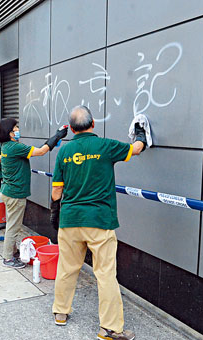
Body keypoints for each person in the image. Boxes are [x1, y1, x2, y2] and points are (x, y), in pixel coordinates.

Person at [50, 106, 147, 340]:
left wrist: (56, 212)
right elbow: (135, 150)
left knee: (67, 268)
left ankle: (60, 313)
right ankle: (110, 328)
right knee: (105, 274)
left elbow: (56, 192)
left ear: (72, 129)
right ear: (93, 124)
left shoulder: (65, 151)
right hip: (99, 221)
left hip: (70, 219)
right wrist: (141, 134)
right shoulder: (106, 146)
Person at [0, 118, 68, 268]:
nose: (17, 130)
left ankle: (13, 251)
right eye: (15, 128)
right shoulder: (14, 147)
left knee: (12, 224)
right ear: (10, 133)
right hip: (15, 194)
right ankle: (8, 258)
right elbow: (41, 151)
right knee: (13, 227)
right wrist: (57, 136)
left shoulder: (6, 146)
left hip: (9, 191)